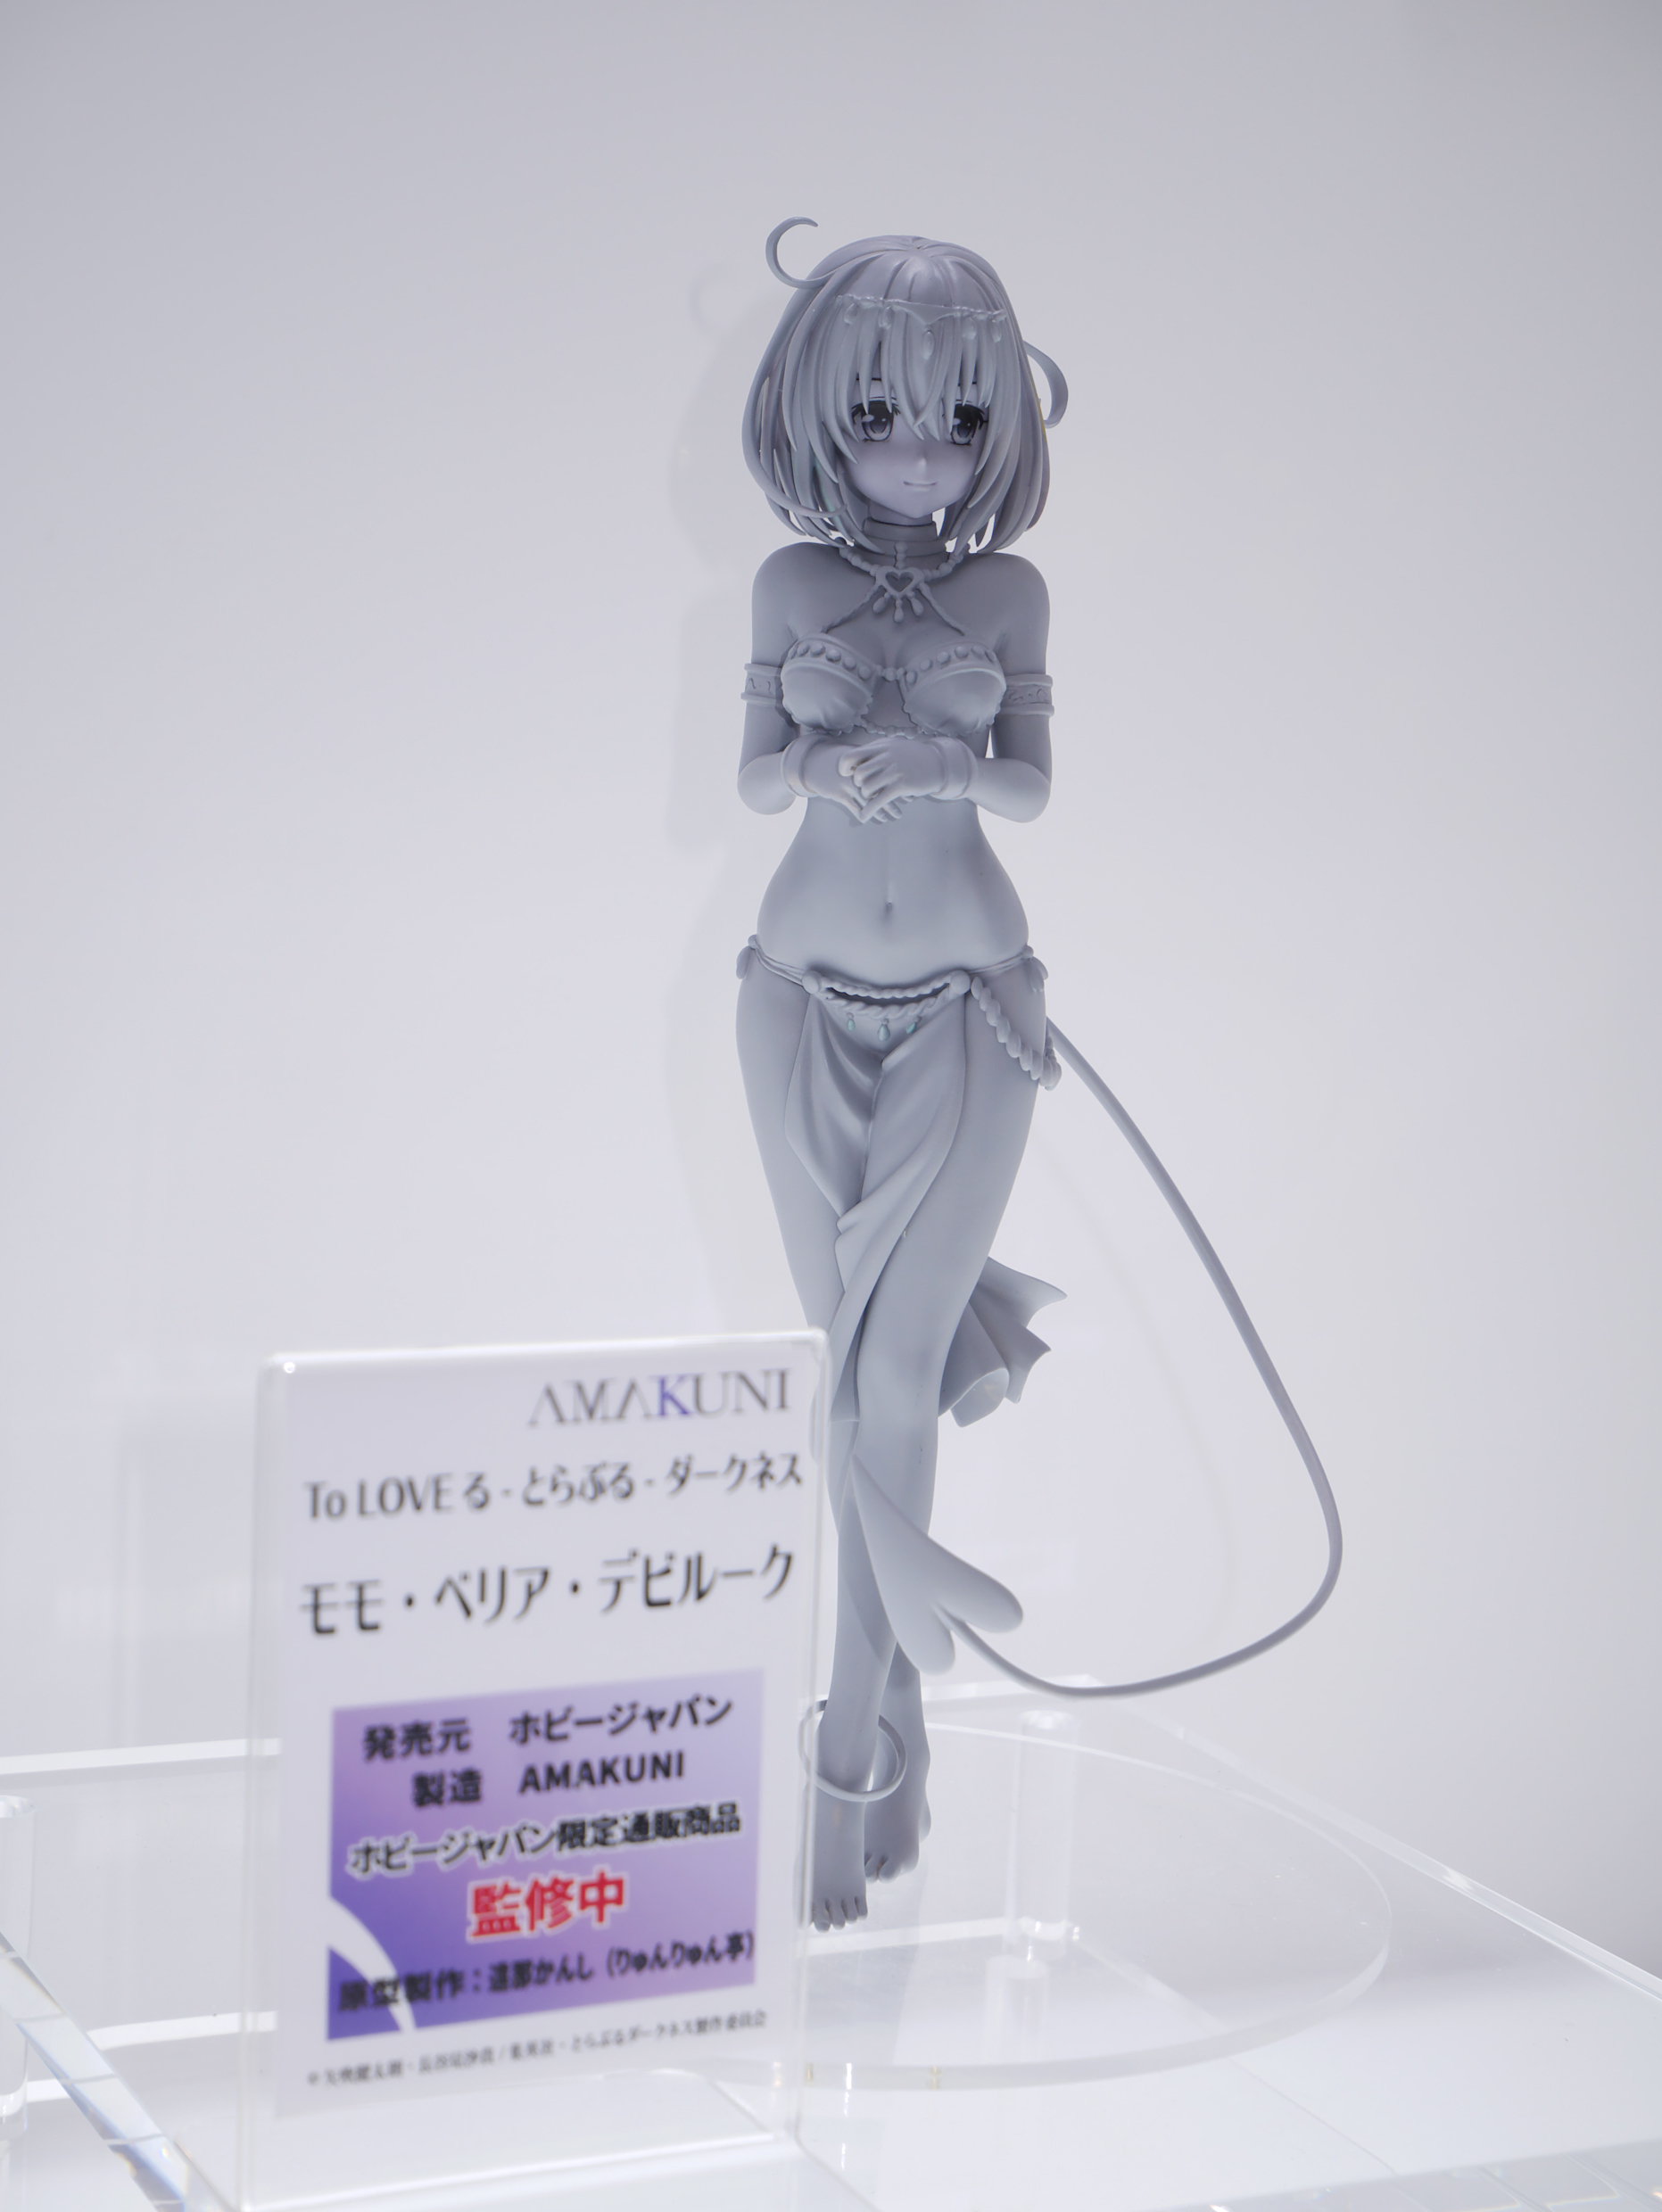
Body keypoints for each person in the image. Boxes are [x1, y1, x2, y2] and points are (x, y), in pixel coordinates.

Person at [735, 227, 1068, 1932]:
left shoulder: (1010, 598)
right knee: (849, 1369)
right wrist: (819, 760)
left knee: (896, 1375)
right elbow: (750, 780)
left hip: (970, 1014)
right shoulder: (788, 586)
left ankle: (847, 1756)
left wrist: (945, 758)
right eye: (880, 412)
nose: (922, 451)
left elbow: (1032, 790)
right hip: (794, 1006)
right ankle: (900, 1730)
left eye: (959, 417)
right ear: (819, 411)